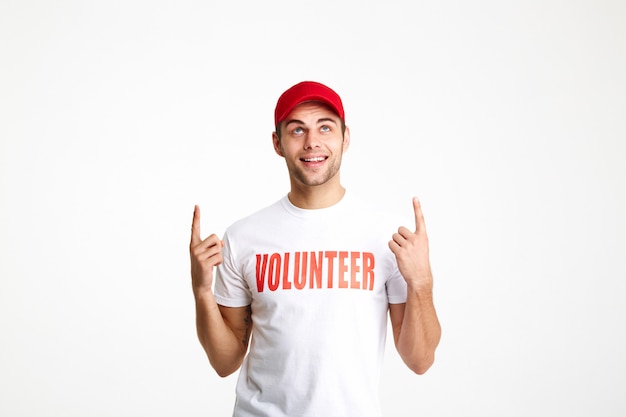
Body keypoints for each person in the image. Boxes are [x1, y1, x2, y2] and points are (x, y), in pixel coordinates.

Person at [189, 81, 441, 417]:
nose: (312, 142)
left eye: (325, 127)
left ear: (345, 138)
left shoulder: (387, 237)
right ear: (278, 143)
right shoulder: (244, 237)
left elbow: (420, 360)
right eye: (297, 130)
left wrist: (421, 283)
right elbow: (224, 362)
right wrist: (202, 290)